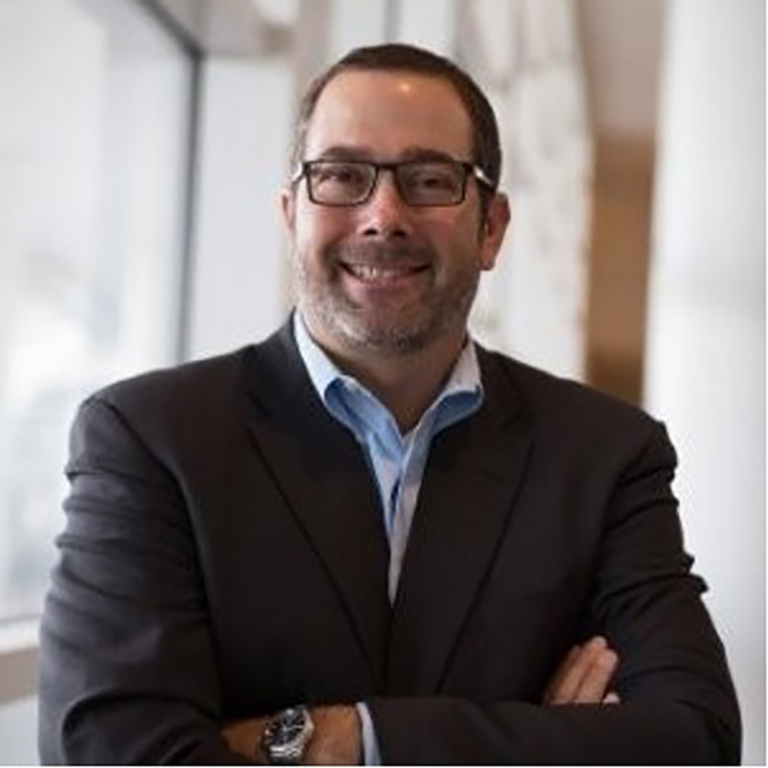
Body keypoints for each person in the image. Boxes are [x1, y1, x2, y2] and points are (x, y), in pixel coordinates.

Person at [38, 43, 740, 765]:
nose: (383, 215)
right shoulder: (151, 439)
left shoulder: (605, 456)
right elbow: (112, 752)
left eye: (430, 179)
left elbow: (693, 739)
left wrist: (346, 740)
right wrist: (541, 739)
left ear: (491, 228)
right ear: (291, 217)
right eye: (341, 176)